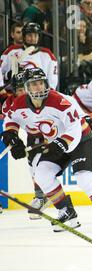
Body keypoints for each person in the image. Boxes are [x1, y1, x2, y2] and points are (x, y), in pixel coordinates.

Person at [1, 67, 92, 232]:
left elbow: (74, 128)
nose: (39, 87)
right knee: (41, 174)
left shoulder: (59, 101)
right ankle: (66, 212)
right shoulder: (19, 103)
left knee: (84, 177)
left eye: (41, 83)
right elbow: (11, 119)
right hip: (57, 142)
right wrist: (11, 135)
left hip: (80, 140)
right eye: (34, 84)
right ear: (27, 87)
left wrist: (61, 144)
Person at [1, 72, 49, 220]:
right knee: (33, 166)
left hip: (51, 133)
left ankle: (47, 198)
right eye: (19, 90)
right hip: (33, 135)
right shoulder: (10, 104)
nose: (23, 92)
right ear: (14, 91)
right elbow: (11, 123)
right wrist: (12, 137)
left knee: (45, 167)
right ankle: (41, 197)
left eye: (24, 89)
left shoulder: (44, 98)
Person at [0, 22, 58, 89]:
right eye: (30, 35)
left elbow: (52, 83)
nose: (33, 39)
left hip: (40, 95)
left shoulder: (47, 55)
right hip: (15, 95)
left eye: (35, 36)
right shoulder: (11, 52)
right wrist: (9, 75)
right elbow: (2, 75)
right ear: (24, 37)